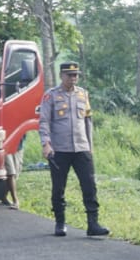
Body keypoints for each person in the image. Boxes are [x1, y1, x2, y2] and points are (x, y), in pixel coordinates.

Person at [40, 61, 109, 238]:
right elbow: (44, 121)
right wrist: (46, 144)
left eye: (76, 75)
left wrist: (90, 146)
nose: (73, 78)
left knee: (89, 186)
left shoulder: (83, 94)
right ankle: (60, 222)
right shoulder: (51, 96)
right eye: (70, 75)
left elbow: (88, 121)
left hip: (81, 148)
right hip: (60, 150)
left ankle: (93, 224)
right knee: (58, 188)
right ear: (62, 76)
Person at [1, 132, 24, 209]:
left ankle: (3, 195)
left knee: (17, 171)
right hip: (5, 144)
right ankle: (15, 200)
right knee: (11, 172)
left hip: (18, 145)